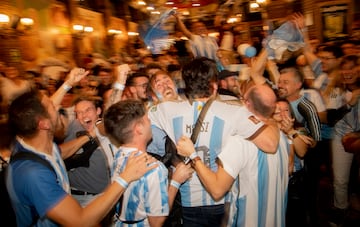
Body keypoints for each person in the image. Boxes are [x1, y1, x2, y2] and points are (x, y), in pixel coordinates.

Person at [148, 57, 279, 226]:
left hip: (189, 203)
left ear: (186, 84)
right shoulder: (234, 113)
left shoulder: (164, 110)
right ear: (214, 85)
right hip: (222, 200)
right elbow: (271, 144)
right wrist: (272, 120)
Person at [6, 89, 157, 226]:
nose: (58, 108)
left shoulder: (34, 143)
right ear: (44, 124)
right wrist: (125, 177)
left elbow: (58, 152)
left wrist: (91, 135)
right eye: (52, 107)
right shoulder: (32, 173)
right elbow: (80, 221)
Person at [176, 84, 289, 227]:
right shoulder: (282, 137)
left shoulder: (239, 142)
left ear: (247, 104)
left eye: (242, 99)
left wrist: (193, 155)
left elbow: (217, 190)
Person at [103, 100, 193, 226]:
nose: (150, 122)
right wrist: (175, 182)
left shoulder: (119, 154)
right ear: (139, 128)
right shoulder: (154, 168)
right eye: (147, 119)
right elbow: (156, 222)